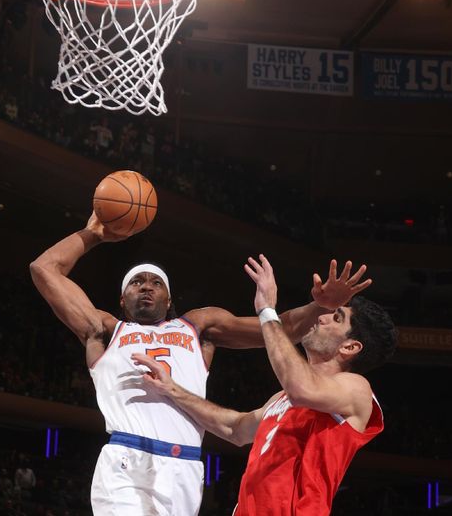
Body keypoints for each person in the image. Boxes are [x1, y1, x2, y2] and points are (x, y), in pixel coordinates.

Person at [30, 214, 372, 515]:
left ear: (170, 299)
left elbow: (284, 329)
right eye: (136, 282)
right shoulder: (104, 330)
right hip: (126, 457)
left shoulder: (198, 326)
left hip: (186, 468)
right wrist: (95, 234)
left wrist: (318, 307)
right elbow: (44, 269)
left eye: (156, 283)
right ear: (122, 299)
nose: (146, 287)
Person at [133, 254, 397, 515]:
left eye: (336, 318)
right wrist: (172, 389)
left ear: (350, 347)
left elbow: (301, 387)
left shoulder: (356, 389)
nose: (322, 317)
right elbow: (234, 428)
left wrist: (267, 310)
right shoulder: (282, 399)